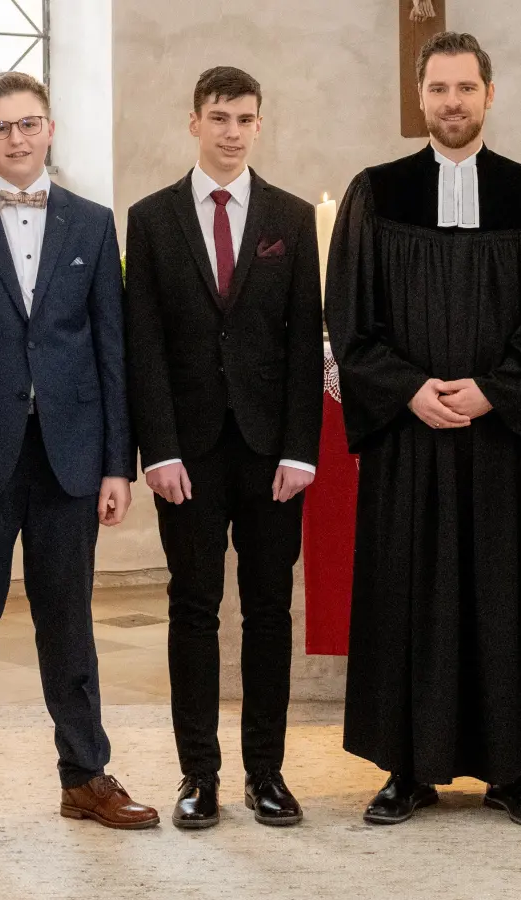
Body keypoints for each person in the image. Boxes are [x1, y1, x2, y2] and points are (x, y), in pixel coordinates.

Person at [326, 31, 521, 828]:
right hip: (412, 440)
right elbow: (349, 316)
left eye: (465, 88)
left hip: (503, 440)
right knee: (410, 593)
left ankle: (512, 771)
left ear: (488, 94)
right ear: (421, 97)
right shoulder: (375, 193)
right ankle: (407, 769)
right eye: (437, 89)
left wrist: (493, 391)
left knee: (509, 596)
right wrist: (408, 391)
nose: (451, 102)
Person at [0, 72, 157, 852]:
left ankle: (85, 776)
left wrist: (120, 463)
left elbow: (112, 350)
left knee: (69, 623)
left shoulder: (91, 221)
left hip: (70, 458)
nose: (18, 138)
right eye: (3, 126)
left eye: (31, 124)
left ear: (50, 131)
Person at [124, 66, 323, 829]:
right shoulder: (151, 218)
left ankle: (265, 773)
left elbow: (306, 341)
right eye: (219, 117)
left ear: (260, 125)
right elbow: (144, 342)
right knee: (194, 608)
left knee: (270, 612)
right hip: (191, 453)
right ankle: (198, 775)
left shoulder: (291, 218)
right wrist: (159, 449)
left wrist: (302, 450)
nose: (232, 131)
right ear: (194, 122)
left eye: (245, 118)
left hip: (274, 453)